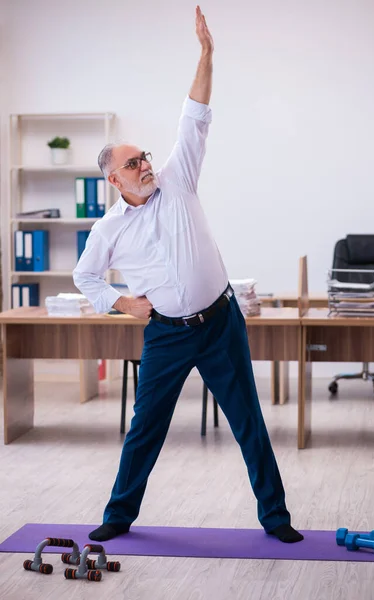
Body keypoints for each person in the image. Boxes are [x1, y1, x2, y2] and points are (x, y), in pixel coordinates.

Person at [73, 5, 303, 545]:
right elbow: (86, 278)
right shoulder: (107, 230)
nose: (146, 164)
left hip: (221, 323)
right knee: (145, 429)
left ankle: (276, 518)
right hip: (168, 336)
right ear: (113, 179)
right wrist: (123, 303)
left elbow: (194, 113)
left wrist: (206, 53)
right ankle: (119, 515)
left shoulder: (179, 179)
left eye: (145, 156)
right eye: (133, 164)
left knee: (248, 423)